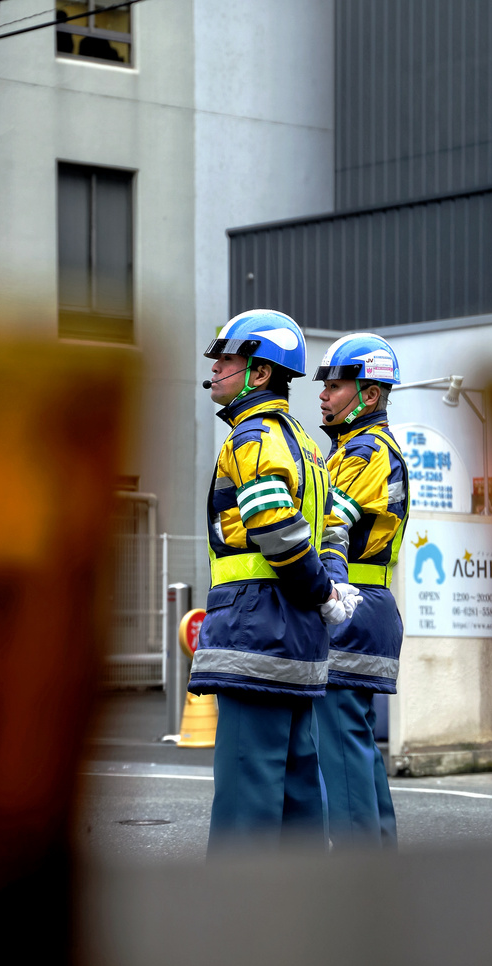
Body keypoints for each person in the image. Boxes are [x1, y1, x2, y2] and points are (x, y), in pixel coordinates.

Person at [187, 309, 360, 850]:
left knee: (248, 802)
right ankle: (308, 924)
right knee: (300, 795)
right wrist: (329, 591)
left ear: (260, 373)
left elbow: (274, 527)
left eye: (227, 360)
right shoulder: (308, 447)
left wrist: (317, 590)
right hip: (301, 638)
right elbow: (332, 532)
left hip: (253, 629)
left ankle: (241, 931)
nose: (215, 370)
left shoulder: (251, 437)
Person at [312, 333, 409, 848]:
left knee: (341, 748)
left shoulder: (367, 450)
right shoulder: (355, 449)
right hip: (364, 605)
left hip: (349, 606)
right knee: (356, 744)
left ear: (369, 395)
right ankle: (377, 868)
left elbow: (328, 526)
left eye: (335, 385)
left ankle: (358, 885)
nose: (323, 394)